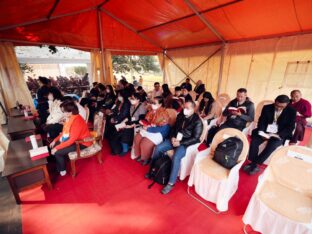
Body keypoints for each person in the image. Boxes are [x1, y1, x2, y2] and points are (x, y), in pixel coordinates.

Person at [146, 100, 203, 194]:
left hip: (185, 143)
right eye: (184, 107)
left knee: (176, 157)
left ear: (194, 109)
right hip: (174, 139)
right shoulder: (181, 115)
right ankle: (153, 170)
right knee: (158, 148)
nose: (185, 109)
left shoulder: (197, 121)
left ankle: (171, 183)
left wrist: (180, 143)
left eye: (188, 108)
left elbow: (196, 139)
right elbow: (173, 128)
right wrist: (172, 137)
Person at [244, 95, 296, 175]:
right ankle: (252, 161)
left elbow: (290, 127)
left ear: (287, 104)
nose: (278, 108)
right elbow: (262, 121)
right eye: (277, 105)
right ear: (275, 101)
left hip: (279, 133)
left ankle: (255, 164)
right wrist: (261, 131)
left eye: (281, 106)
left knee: (271, 145)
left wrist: (278, 134)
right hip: (265, 131)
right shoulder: (267, 107)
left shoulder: (291, 111)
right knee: (254, 141)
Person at [50, 101, 92, 176]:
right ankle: (60, 163)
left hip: (82, 143)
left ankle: (62, 169)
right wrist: (55, 140)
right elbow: (64, 132)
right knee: (54, 146)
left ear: (70, 111)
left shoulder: (76, 121)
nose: (63, 113)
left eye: (64, 111)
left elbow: (71, 140)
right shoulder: (70, 118)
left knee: (57, 152)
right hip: (74, 139)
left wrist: (57, 148)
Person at [133, 96, 170, 165]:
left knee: (145, 143)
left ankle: (146, 158)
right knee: (137, 138)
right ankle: (140, 154)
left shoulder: (164, 113)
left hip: (159, 132)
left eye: (154, 103)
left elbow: (163, 128)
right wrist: (144, 123)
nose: (152, 104)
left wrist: (149, 128)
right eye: (152, 102)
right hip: (150, 128)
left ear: (160, 104)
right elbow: (148, 120)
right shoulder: (151, 110)